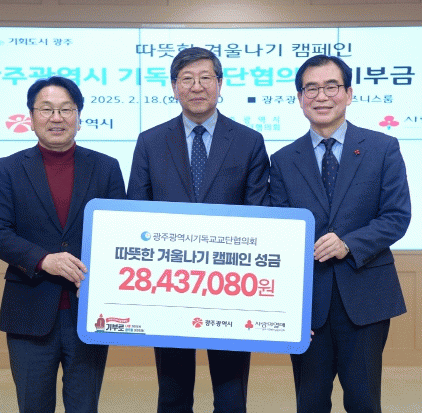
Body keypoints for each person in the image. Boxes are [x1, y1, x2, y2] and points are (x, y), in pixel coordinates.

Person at [127, 47, 270, 413]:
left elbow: (260, 216)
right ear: (174, 87)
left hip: (230, 287)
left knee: (231, 395)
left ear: (220, 84)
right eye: (187, 79)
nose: (197, 86)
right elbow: (135, 214)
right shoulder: (150, 141)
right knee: (172, 394)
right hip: (168, 285)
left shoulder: (249, 141)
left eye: (206, 78)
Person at [269, 55, 411, 413]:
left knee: (363, 401)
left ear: (348, 93)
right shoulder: (283, 160)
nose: (321, 96)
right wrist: (289, 307)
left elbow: (396, 216)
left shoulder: (382, 148)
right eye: (311, 88)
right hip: (309, 305)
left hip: (365, 298)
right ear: (300, 98)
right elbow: (279, 233)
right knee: (310, 402)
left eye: (331, 87)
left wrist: (349, 243)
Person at [0, 76, 126, 413]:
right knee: (33, 406)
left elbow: (120, 233)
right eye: (46, 109)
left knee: (84, 406)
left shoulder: (106, 167)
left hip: (87, 310)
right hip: (29, 310)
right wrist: (43, 260)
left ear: (79, 116)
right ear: (31, 117)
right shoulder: (8, 169)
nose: (57, 118)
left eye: (66, 109)